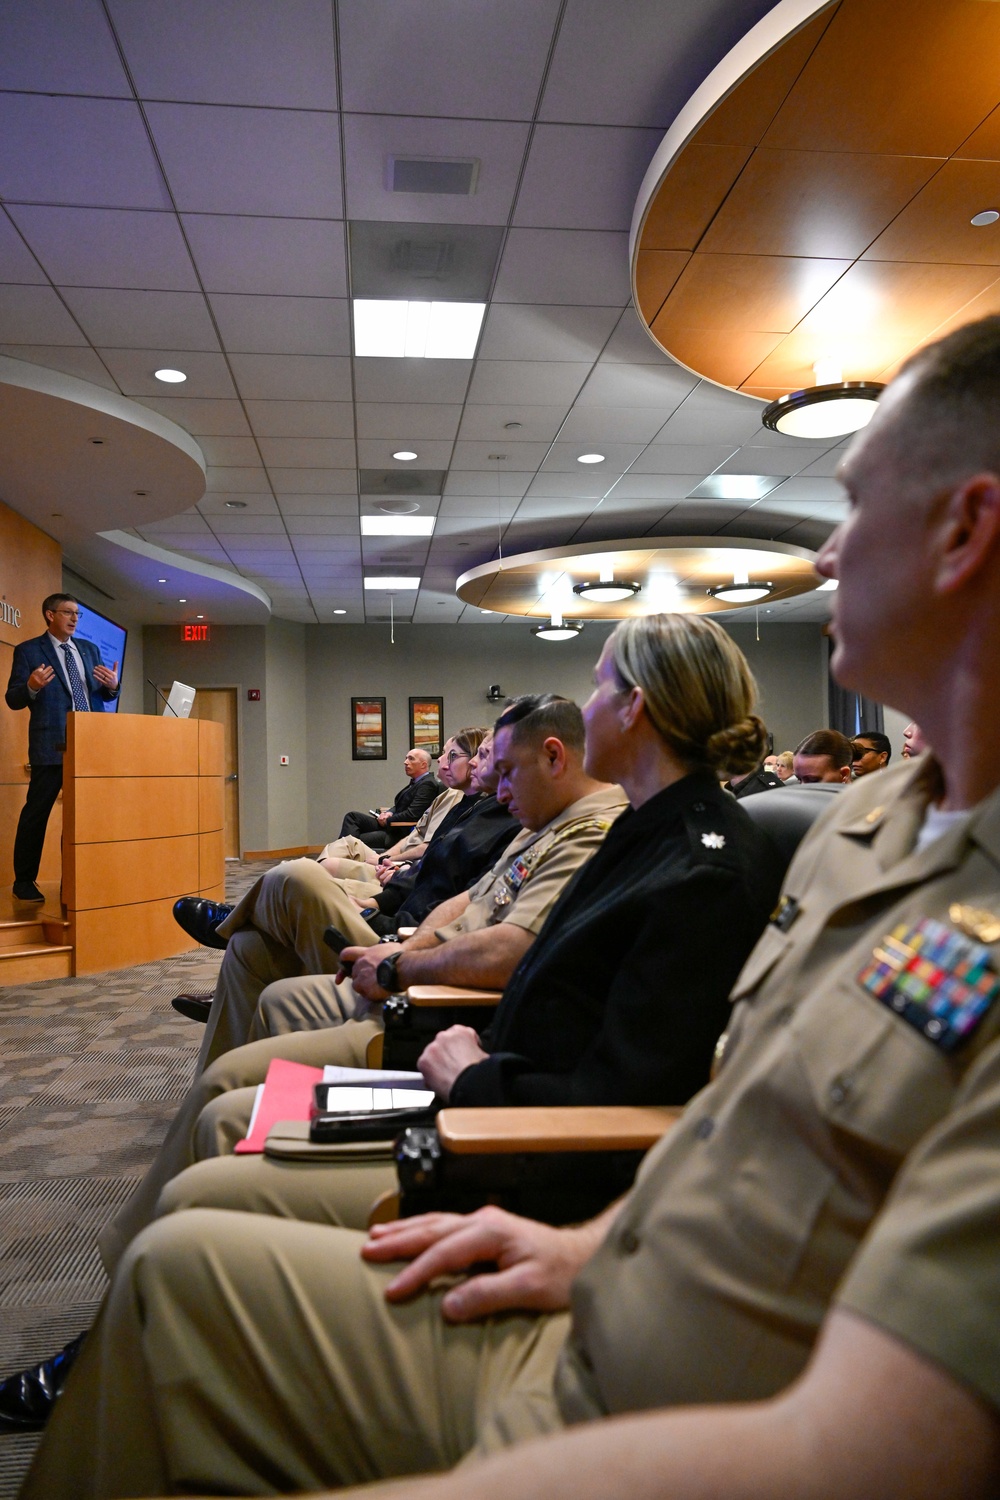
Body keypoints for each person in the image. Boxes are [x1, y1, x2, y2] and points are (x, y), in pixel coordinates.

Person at [21, 313, 1000, 1499]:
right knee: (185, 1259)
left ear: (964, 529)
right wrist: (588, 1250)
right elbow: (730, 1110)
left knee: (216, 1180)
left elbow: (872, 1449)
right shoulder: (863, 828)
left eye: (856, 503)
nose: (830, 552)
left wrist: (460, 1065)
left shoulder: (710, 852)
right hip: (595, 1270)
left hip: (655, 1395)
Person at [87, 618, 785, 1267]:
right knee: (226, 1117)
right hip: (467, 1087)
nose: (587, 705)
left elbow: (633, 1088)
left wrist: (469, 1070)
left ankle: (119, 1317)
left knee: (190, 1206)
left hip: (504, 1147)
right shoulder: (647, 830)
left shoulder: (700, 865)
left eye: (599, 685)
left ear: (634, 707)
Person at [176, 729, 524, 1067]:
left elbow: (468, 917)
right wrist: (382, 899)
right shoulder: (479, 810)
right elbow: (437, 881)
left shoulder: (519, 829)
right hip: (397, 923)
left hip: (398, 951)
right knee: (248, 947)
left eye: (485, 754)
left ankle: (232, 919)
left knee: (297, 875)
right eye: (476, 754)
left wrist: (391, 929)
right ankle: (225, 1071)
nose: (475, 763)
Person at [4, 593, 118, 902]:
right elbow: (14, 699)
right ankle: (24, 881)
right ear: (49, 615)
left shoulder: (90, 649)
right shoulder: (29, 650)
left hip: (91, 745)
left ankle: (77, 880)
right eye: (68, 613)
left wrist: (112, 686)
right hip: (52, 745)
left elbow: (102, 697)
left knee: (86, 817)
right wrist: (32, 686)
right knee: (36, 814)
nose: (74, 619)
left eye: (78, 615)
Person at [338, 747, 440, 850]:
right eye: (406, 758)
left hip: (398, 833)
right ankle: (344, 852)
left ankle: (342, 853)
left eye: (411, 759)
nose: (405, 762)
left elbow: (413, 814)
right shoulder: (418, 782)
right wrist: (389, 812)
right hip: (393, 825)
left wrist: (388, 820)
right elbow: (400, 805)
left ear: (423, 764)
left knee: (353, 840)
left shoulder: (427, 784)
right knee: (353, 817)